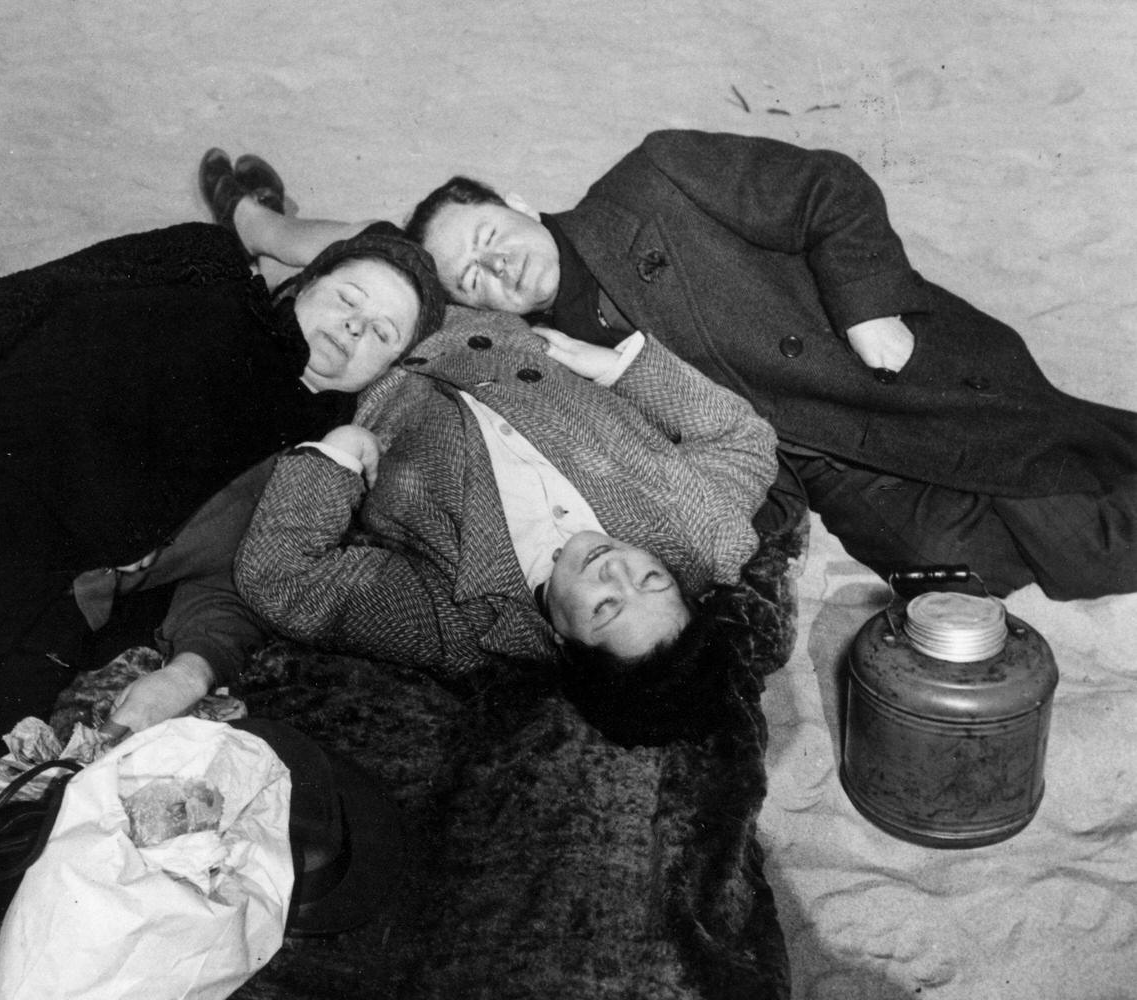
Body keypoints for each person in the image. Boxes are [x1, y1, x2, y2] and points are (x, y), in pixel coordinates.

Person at [228, 132, 1137, 600]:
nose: (496, 267)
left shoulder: (655, 181)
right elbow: (380, 255)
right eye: (475, 277)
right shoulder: (533, 349)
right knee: (960, 575)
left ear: (515, 201)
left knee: (1089, 515)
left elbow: (827, 187)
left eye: (491, 238)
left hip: (899, 387)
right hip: (834, 480)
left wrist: (869, 310)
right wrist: (266, 233)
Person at [0, 152, 445, 819]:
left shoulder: (311, 464)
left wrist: (195, 667)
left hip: (6, 567)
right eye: (347, 299)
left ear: (391, 366)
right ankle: (258, 217)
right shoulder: (207, 267)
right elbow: (28, 293)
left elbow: (240, 584)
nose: (356, 325)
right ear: (302, 283)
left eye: (382, 332)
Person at [233, 299, 780, 706]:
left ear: (567, 646)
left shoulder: (463, 628)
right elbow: (745, 441)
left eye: (606, 607)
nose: (617, 569)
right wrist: (620, 368)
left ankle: (257, 221)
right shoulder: (703, 535)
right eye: (652, 581)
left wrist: (338, 458)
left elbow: (280, 582)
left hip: (364, 367)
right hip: (479, 314)